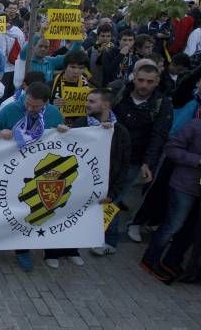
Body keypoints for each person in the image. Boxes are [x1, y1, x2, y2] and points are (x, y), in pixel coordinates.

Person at [0, 81, 68, 271]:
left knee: (26, 211)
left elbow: (61, 138)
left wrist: (63, 131)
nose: (29, 108)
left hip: (35, 172)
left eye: (35, 106)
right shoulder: (11, 108)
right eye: (28, 103)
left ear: (45, 103)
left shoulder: (54, 113)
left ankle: (22, 250)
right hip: (6, 171)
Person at [113, 64, 173, 249]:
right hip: (108, 155)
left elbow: (159, 136)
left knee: (115, 197)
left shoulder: (162, 105)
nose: (144, 85)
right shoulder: (118, 94)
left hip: (133, 160)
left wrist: (148, 163)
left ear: (156, 82)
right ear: (134, 78)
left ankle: (107, 237)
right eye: (140, 80)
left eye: (149, 81)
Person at [67, 89, 131, 257]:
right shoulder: (80, 124)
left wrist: (113, 192)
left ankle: (109, 242)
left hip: (110, 183)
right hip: (84, 182)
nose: (87, 104)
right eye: (87, 100)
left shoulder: (121, 131)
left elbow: (124, 165)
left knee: (110, 210)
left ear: (106, 105)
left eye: (92, 101)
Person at [140, 118, 201, 283]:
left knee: (190, 230)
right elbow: (171, 147)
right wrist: (197, 160)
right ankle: (150, 260)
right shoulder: (195, 125)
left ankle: (171, 261)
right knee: (173, 226)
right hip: (184, 186)